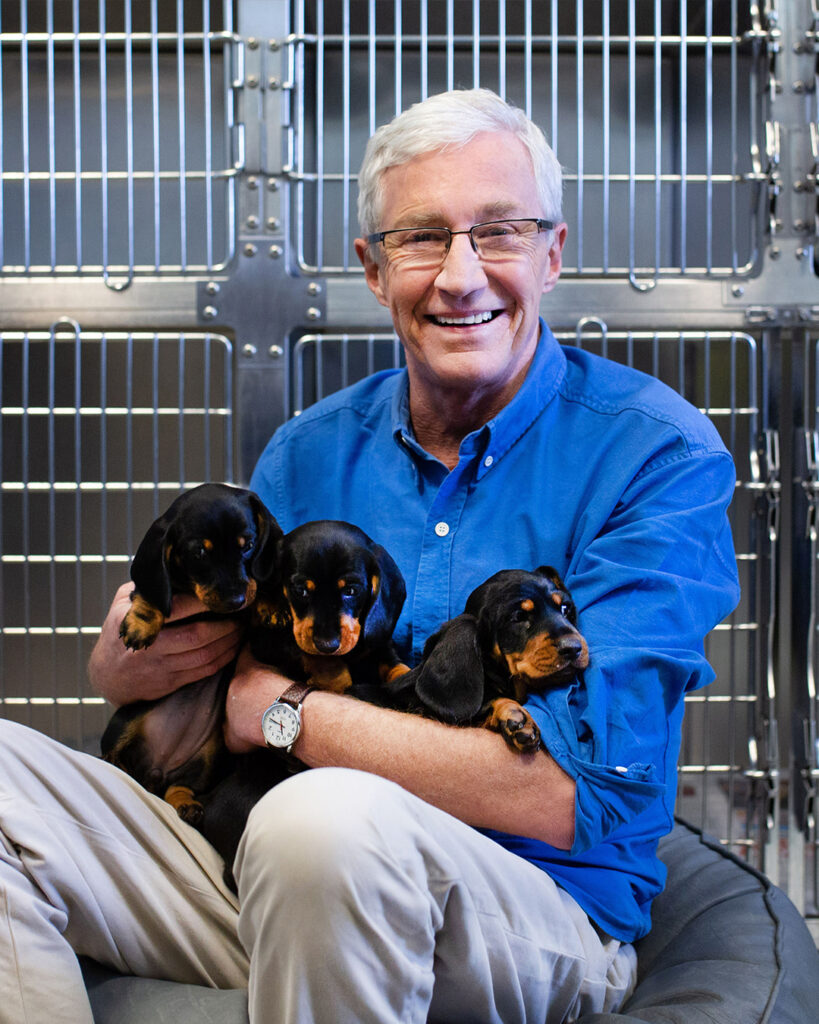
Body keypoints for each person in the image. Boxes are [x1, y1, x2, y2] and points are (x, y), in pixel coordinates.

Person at [0, 88, 739, 1024]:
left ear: (552, 255)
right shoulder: (307, 451)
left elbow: (571, 796)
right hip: (261, 864)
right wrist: (124, 665)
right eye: (422, 237)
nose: (460, 277)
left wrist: (283, 717)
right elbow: (215, 660)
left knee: (328, 820)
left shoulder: (655, 454)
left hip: (526, 905)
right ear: (373, 269)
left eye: (499, 231)